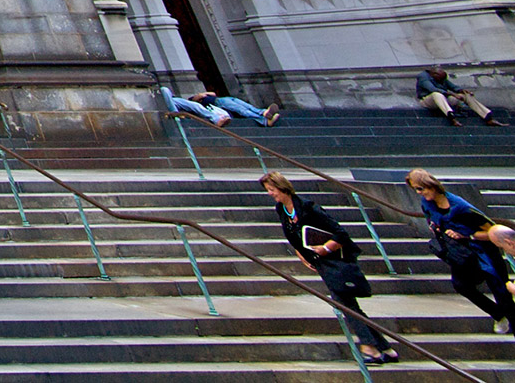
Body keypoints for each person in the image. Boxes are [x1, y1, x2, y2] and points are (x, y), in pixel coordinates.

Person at [262, 171, 394, 366]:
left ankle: (369, 347)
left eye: (272, 190)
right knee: (350, 305)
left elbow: (341, 234)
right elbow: (293, 236)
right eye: (268, 191)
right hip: (320, 263)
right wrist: (301, 254)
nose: (271, 194)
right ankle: (386, 349)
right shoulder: (281, 210)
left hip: (336, 261)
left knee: (344, 304)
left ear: (282, 188)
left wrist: (324, 248)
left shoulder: (308, 207)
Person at [407, 169, 515, 332]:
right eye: (416, 189)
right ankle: (499, 314)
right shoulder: (427, 204)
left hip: (484, 254)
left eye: (421, 188)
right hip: (460, 254)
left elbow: (493, 233)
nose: (419, 193)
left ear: (432, 185)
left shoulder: (461, 207)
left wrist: (467, 235)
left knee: (502, 292)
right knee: (460, 285)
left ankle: (506, 317)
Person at [413, 64, 504, 126]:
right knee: (437, 94)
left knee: (465, 95)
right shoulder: (423, 77)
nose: (441, 82)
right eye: (439, 80)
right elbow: (432, 89)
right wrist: (452, 94)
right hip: (428, 100)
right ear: (434, 75)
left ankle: (488, 117)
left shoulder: (440, 77)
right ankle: (452, 117)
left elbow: (452, 86)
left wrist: (461, 90)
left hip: (444, 100)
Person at [191, 88, 280, 127]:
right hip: (218, 102)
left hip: (224, 99)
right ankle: (264, 121)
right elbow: (197, 97)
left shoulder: (207, 97)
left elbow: (213, 94)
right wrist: (201, 95)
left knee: (247, 106)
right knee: (242, 110)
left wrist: (204, 94)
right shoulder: (192, 101)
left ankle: (264, 112)